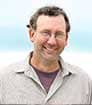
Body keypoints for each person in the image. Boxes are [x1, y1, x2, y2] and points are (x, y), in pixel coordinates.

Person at [0, 6, 92, 104]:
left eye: (58, 34)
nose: (52, 41)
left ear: (66, 39)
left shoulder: (83, 82)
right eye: (46, 33)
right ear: (32, 34)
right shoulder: (4, 79)